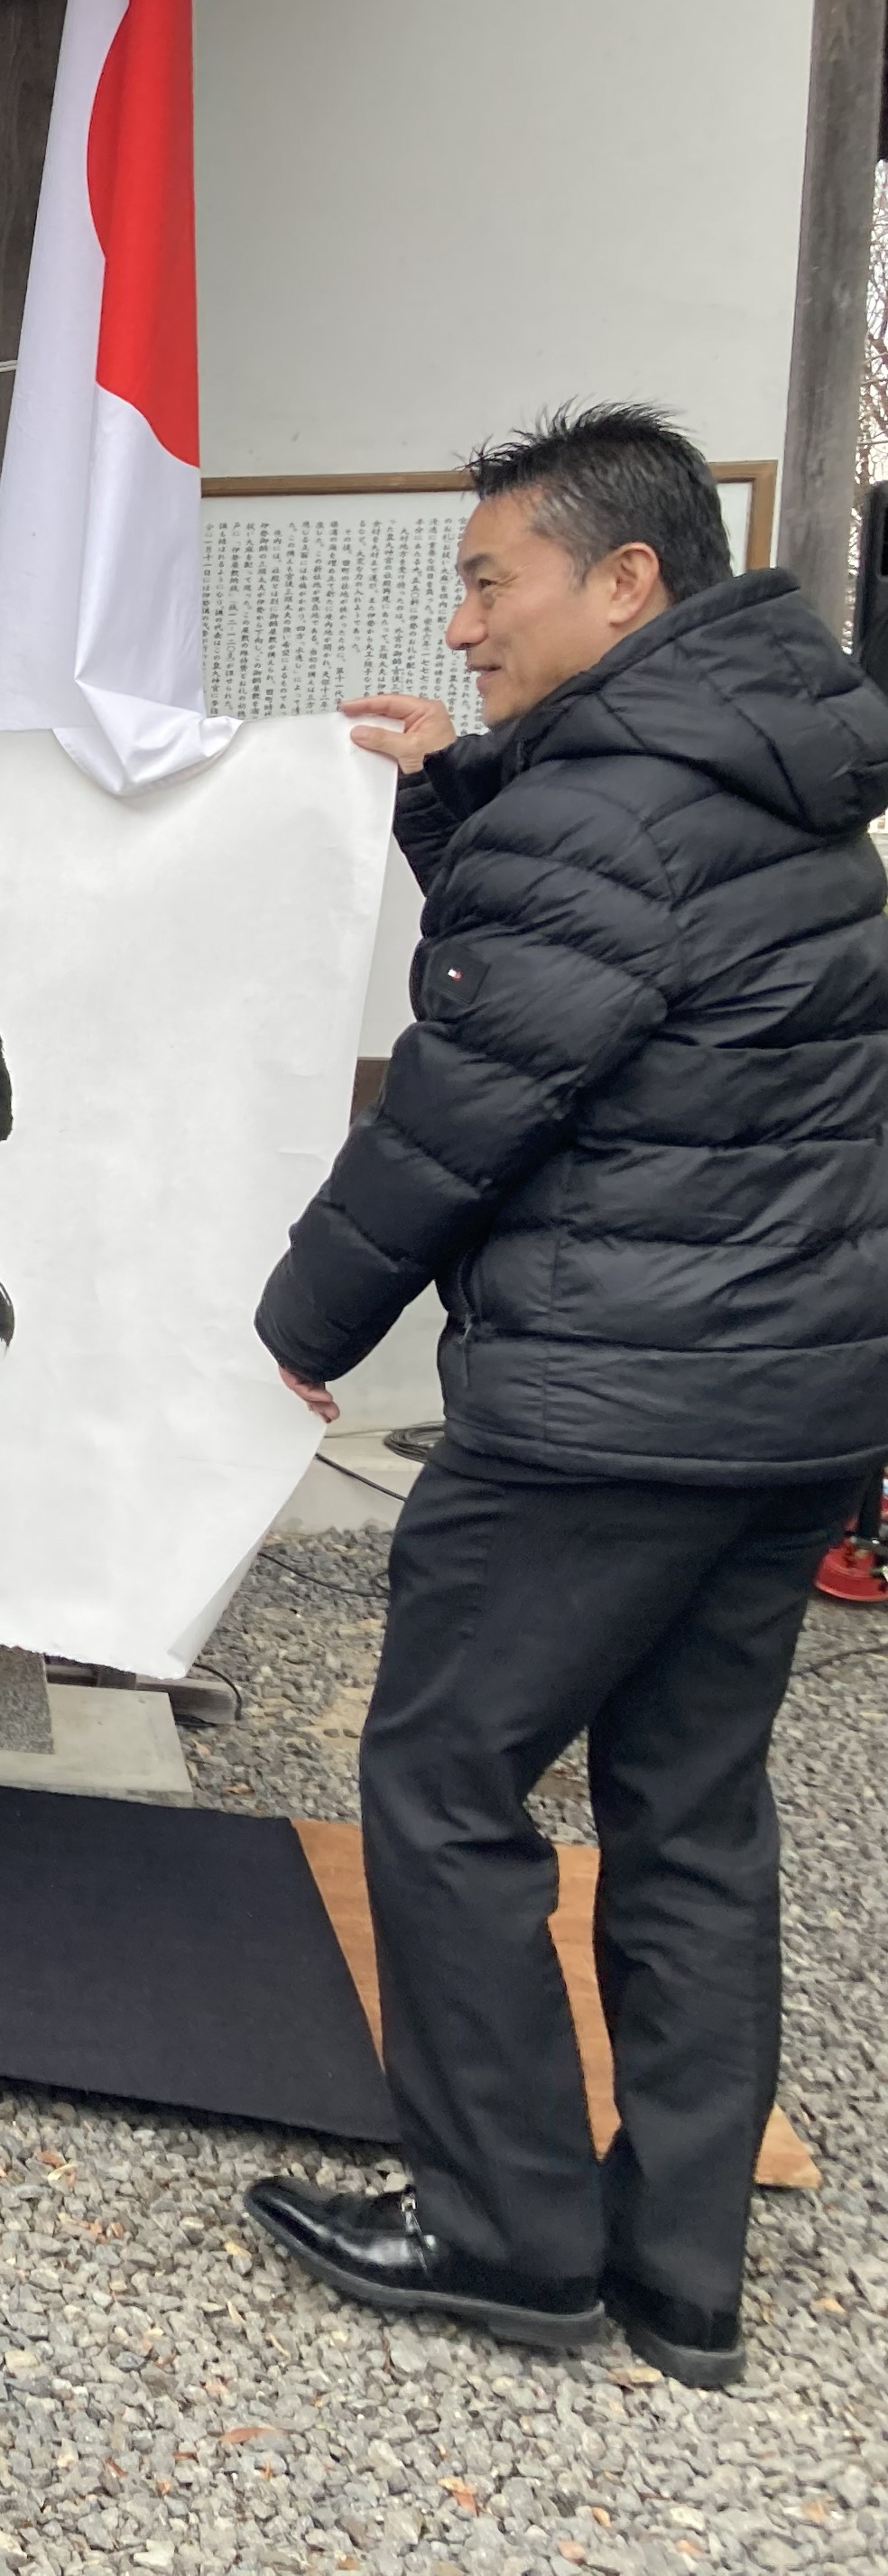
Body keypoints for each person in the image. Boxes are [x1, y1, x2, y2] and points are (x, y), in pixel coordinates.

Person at [242, 406, 888, 2390]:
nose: (461, 625)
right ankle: (679, 2267)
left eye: (485, 580)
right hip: (794, 1402)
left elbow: (467, 1110)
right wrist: (457, 801)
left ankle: (504, 2229)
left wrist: (302, 1317)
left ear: (624, 580)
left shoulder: (604, 809)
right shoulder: (775, 767)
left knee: (444, 1781)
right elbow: (600, 980)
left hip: (606, 1407)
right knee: (689, 1808)